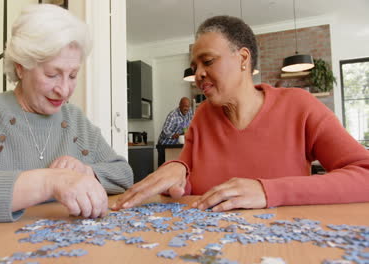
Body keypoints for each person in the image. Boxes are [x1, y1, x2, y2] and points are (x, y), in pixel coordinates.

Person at [112, 15, 369, 212]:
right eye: (194, 66)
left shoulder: (300, 106)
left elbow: (365, 174)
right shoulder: (202, 115)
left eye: (208, 61)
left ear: (243, 58)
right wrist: (176, 170)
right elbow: (188, 183)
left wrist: (267, 191)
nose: (198, 74)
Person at [0, 4, 133, 231]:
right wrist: (50, 182)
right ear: (21, 68)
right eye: (52, 74)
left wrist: (87, 172)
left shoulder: (75, 119)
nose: (65, 90)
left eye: (73, 75)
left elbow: (123, 174)